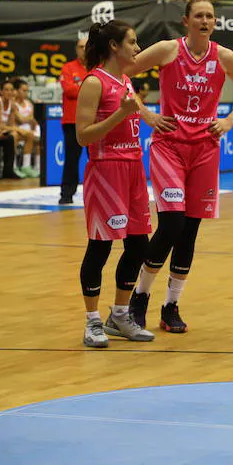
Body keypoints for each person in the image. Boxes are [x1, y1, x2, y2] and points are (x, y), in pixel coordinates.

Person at [125, 0, 233, 333]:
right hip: (169, 146)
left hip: (205, 150)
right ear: (186, 21)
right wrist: (146, 113)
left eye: (210, 16)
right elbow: (122, 74)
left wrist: (229, 121)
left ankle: (171, 305)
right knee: (171, 224)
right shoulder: (168, 50)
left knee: (190, 231)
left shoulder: (224, 56)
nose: (205, 20)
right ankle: (139, 297)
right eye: (199, 15)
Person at [74, 20, 154, 348]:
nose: (137, 49)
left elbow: (131, 115)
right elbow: (82, 136)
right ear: (114, 46)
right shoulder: (94, 82)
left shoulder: (124, 80)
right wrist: (118, 116)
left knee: (138, 245)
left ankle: (120, 315)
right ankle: (92, 321)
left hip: (134, 170)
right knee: (101, 247)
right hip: (106, 172)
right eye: (132, 42)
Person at [61, 38, 88, 203]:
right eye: (80, 47)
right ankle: (66, 194)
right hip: (72, 121)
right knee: (71, 159)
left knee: (97, 160)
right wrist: (91, 88)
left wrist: (81, 87)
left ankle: (99, 192)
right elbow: (69, 90)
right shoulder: (68, 68)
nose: (84, 49)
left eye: (86, 46)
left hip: (94, 121)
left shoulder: (97, 67)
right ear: (76, 49)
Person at [12, 79, 40, 178]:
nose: (25, 93)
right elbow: (21, 119)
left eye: (27, 91)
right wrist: (30, 117)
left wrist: (30, 120)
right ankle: (19, 166)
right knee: (29, 135)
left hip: (29, 131)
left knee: (40, 139)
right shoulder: (13, 104)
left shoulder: (28, 103)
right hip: (18, 131)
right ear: (16, 90)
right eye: (23, 90)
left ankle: (36, 167)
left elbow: (33, 120)